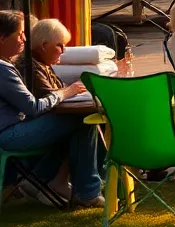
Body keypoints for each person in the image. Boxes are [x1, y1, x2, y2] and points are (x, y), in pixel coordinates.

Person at [0, 11, 103, 208]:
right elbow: (33, 107)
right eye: (20, 34)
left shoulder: (9, 65)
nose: (24, 39)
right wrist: (65, 93)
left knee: (74, 124)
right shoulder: (3, 69)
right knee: (83, 119)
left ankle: (46, 179)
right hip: (8, 134)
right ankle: (87, 192)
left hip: (11, 129)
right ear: (3, 38)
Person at [26, 18, 70, 99]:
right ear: (43, 46)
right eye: (59, 45)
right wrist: (71, 90)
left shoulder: (44, 64)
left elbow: (61, 88)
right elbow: (50, 98)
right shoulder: (32, 68)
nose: (63, 51)